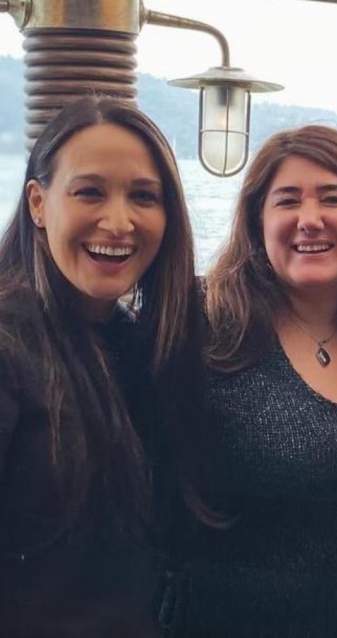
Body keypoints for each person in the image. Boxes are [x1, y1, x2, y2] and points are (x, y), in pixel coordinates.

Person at [160, 125, 337, 637]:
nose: (309, 218)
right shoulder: (200, 322)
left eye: (333, 198)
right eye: (287, 200)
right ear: (258, 221)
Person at [0, 97, 205, 636]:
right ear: (38, 203)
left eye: (143, 196)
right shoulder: (9, 347)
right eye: (89, 192)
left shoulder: (141, 346)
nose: (118, 222)